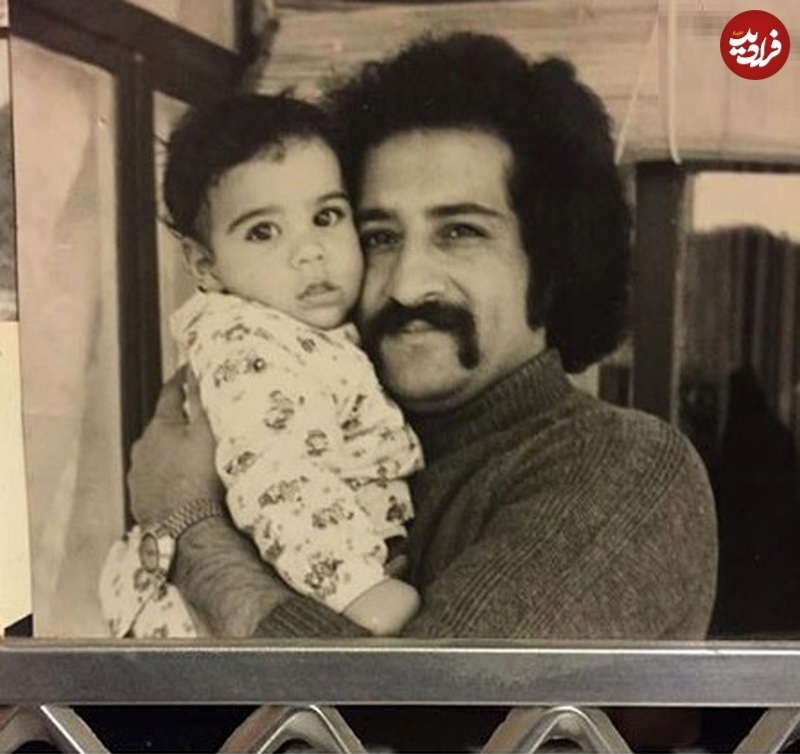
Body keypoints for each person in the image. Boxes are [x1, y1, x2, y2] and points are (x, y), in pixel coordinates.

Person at [129, 32, 717, 643]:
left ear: (552, 256)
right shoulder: (322, 422)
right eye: (380, 237)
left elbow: (425, 704)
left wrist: (190, 531)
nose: (408, 285)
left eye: (460, 232)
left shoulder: (623, 465)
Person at [100, 94, 423, 638]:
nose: (309, 252)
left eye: (325, 216)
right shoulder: (250, 346)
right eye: (263, 231)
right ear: (205, 265)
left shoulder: (305, 333)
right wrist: (356, 588)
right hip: (204, 620)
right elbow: (276, 476)